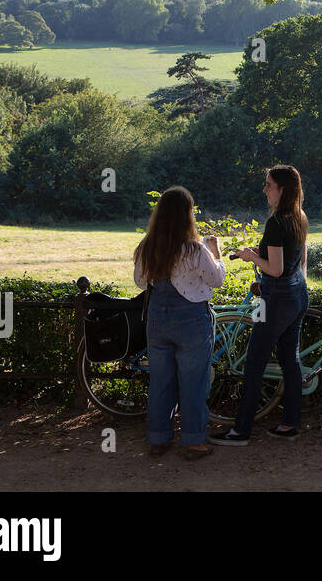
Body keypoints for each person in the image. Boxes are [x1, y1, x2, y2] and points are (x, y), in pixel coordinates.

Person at [213, 164, 309, 445]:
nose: (264, 189)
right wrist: (262, 252)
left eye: (268, 184)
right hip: (297, 295)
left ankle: (240, 431)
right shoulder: (299, 217)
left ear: (282, 189)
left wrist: (249, 256)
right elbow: (296, 260)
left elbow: (275, 270)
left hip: (276, 299)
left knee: (254, 363)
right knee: (290, 361)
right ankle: (290, 423)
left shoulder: (277, 222)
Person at [134, 185, 224, 460]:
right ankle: (193, 441)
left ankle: (159, 439)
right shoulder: (195, 250)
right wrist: (216, 251)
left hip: (158, 319)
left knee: (160, 381)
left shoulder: (147, 247)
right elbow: (217, 280)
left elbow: (140, 281)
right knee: (193, 383)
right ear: (188, 216)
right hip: (191, 321)